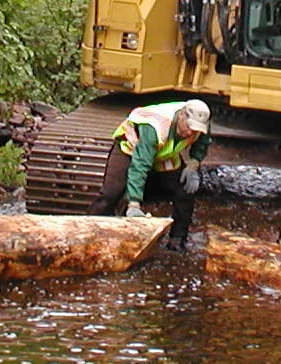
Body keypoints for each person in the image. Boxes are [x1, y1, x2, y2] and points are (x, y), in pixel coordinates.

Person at [89, 99, 212, 251]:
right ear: (181, 116)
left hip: (165, 154)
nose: (190, 133)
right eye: (189, 127)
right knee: (111, 193)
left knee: (184, 191)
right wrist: (134, 203)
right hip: (131, 149)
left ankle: (177, 239)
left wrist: (193, 165)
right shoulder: (155, 127)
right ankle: (91, 231)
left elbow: (202, 143)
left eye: (196, 129)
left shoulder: (200, 123)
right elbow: (140, 166)